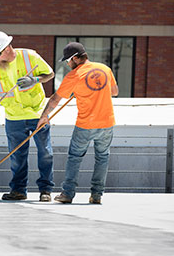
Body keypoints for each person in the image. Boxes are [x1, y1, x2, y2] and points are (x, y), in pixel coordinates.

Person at [0, 31, 55, 202]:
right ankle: (18, 190)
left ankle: (45, 190)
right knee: (17, 156)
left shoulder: (30, 56)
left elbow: (50, 74)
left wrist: (34, 80)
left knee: (45, 153)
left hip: (38, 114)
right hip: (13, 117)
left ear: (7, 48)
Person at [38, 42, 119, 204]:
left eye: (68, 61)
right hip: (107, 123)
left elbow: (55, 99)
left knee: (75, 157)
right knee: (102, 158)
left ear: (75, 58)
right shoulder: (105, 69)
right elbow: (114, 92)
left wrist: (44, 116)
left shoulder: (74, 76)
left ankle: (68, 193)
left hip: (86, 124)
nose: (68, 64)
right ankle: (96, 195)